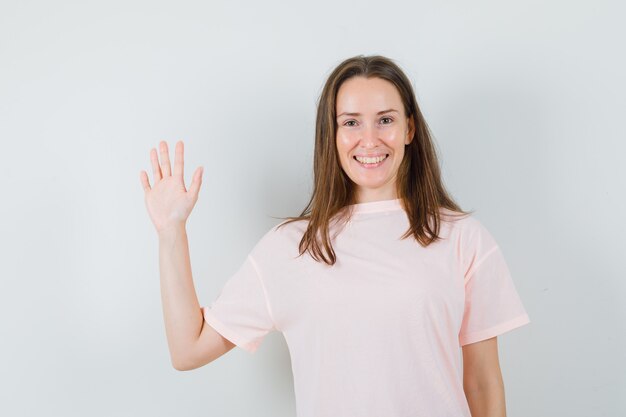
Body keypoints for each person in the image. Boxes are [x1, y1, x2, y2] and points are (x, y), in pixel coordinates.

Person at [140, 54, 531, 417]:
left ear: (409, 128)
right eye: (351, 122)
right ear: (332, 133)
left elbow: (482, 383)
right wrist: (171, 231)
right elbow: (187, 349)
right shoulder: (291, 247)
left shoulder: (463, 238)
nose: (370, 139)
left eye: (385, 119)